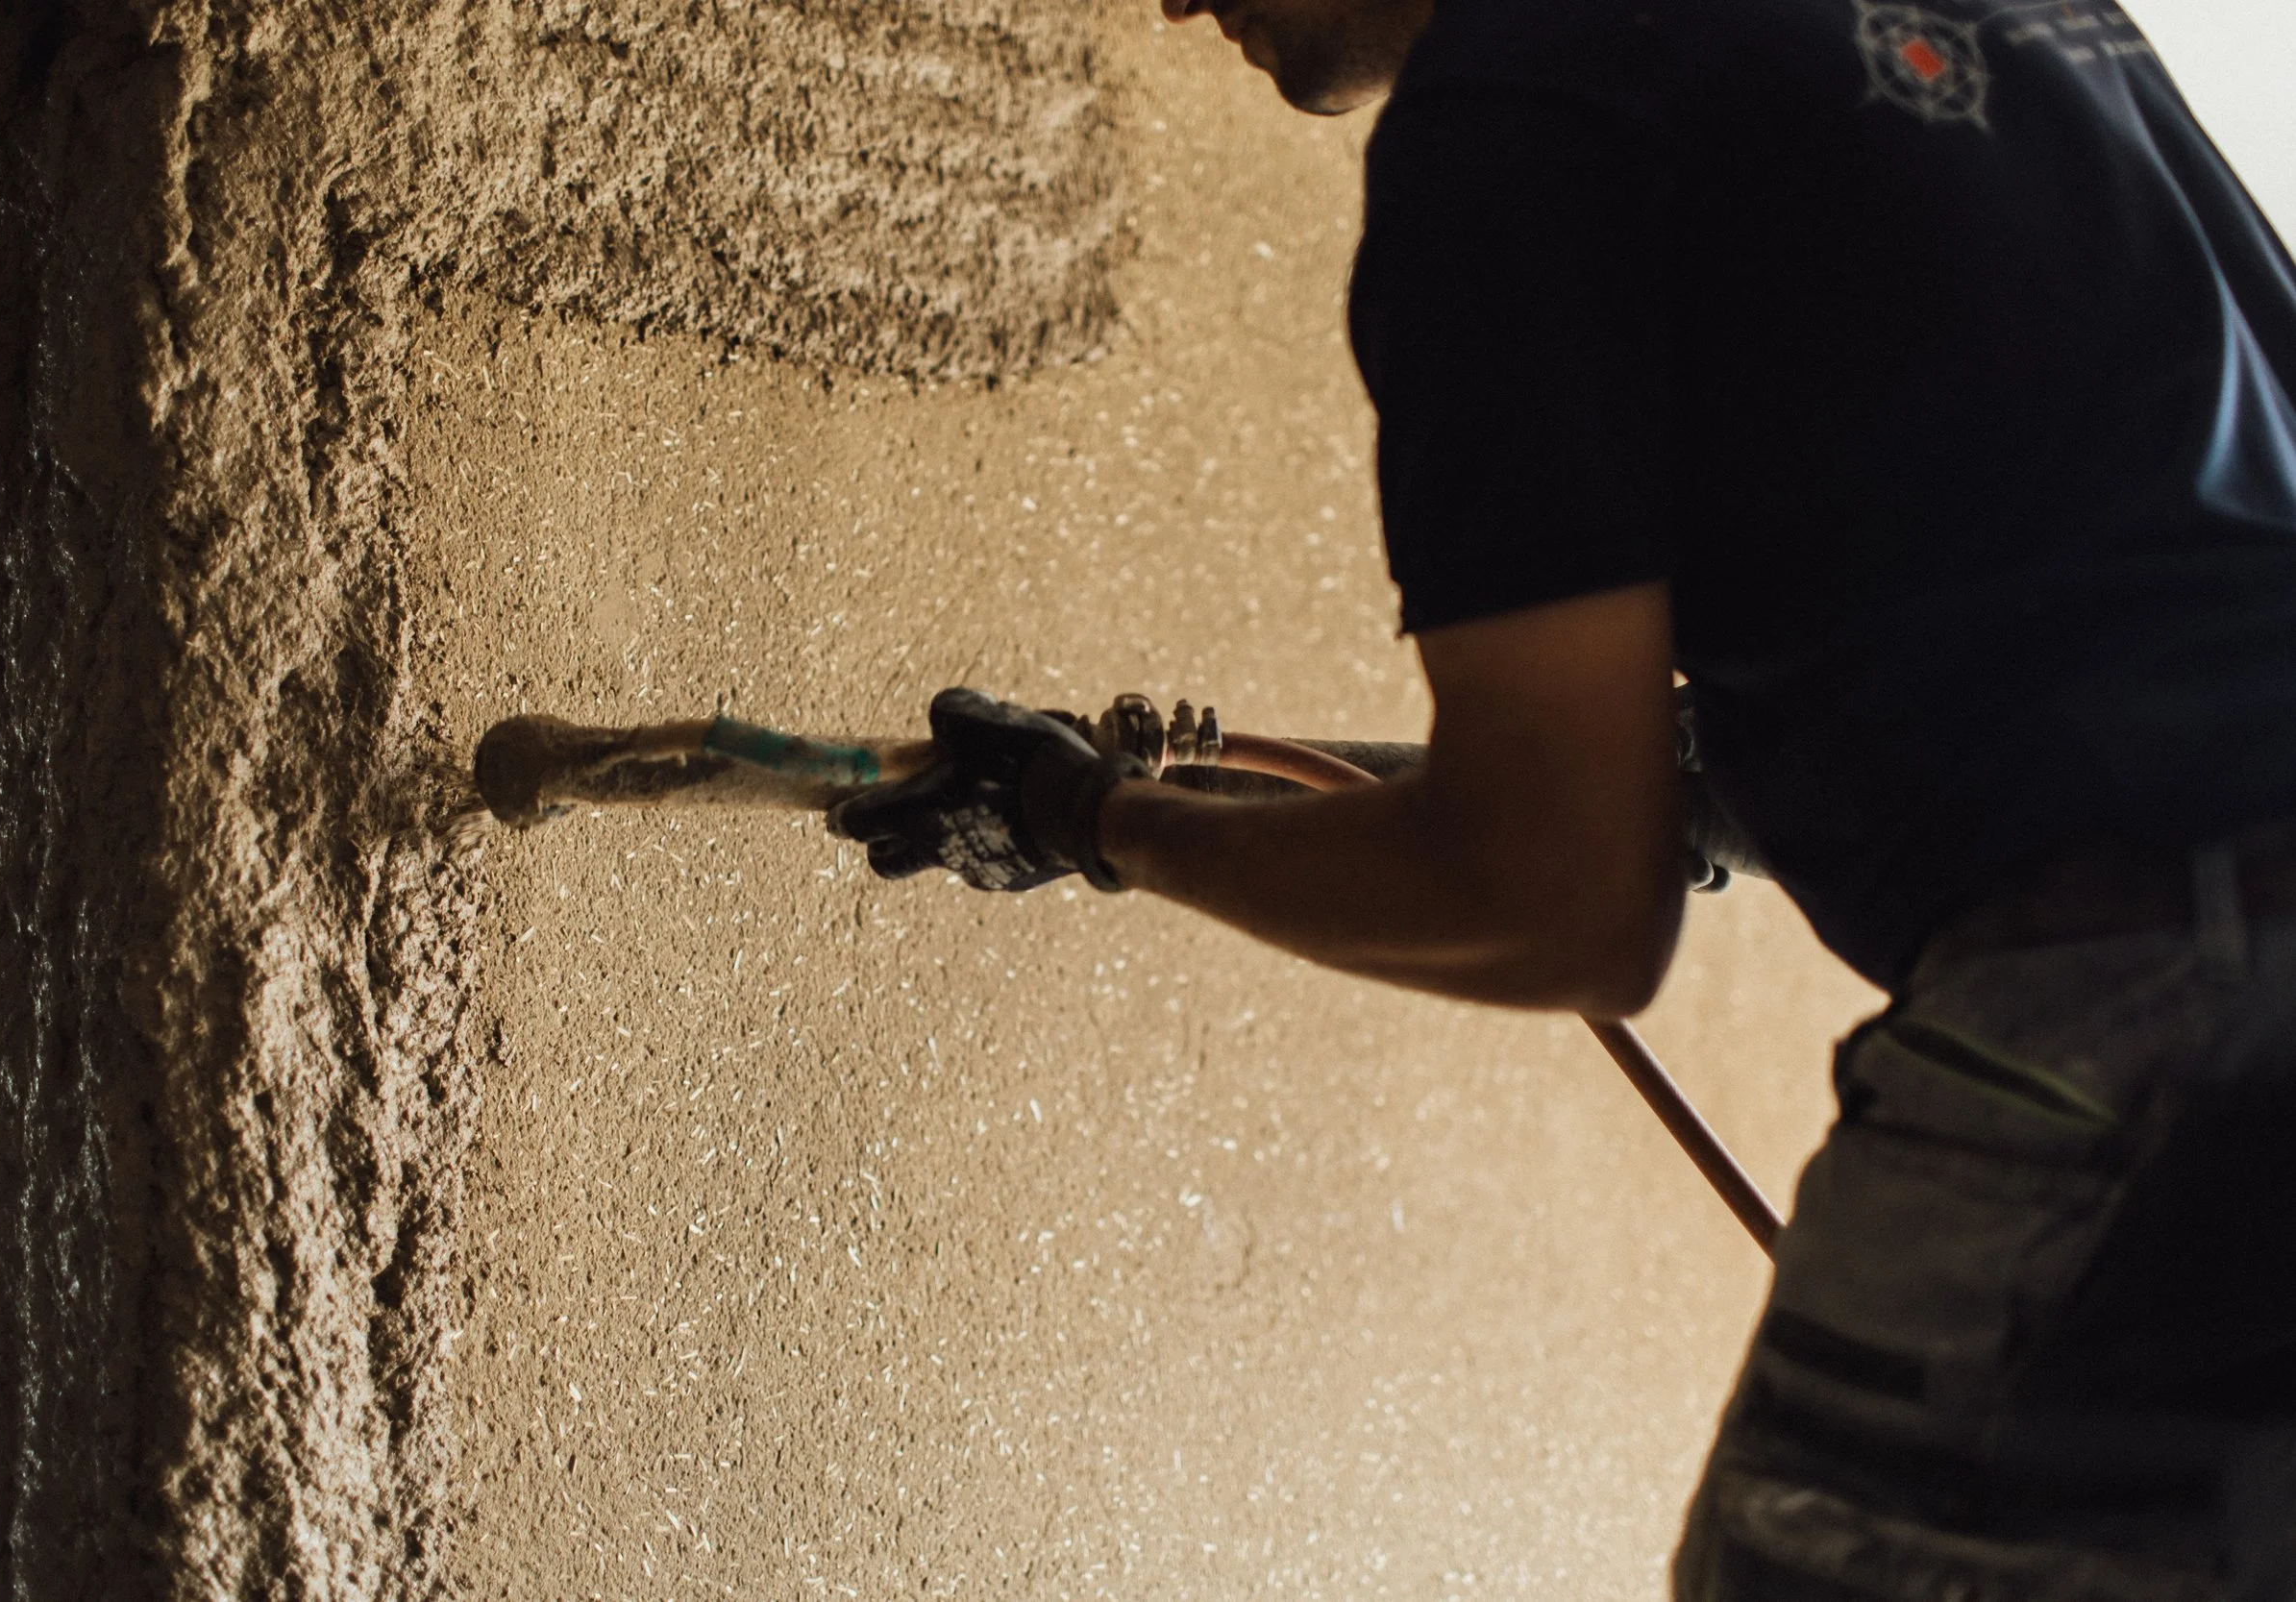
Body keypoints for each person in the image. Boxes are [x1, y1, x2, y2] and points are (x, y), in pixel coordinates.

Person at [828, 0, 2296, 1592]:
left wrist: (1090, 821)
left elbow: (1551, 903)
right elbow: (1740, 767)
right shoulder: (2015, 31)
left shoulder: (1527, 104)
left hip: (2164, 1025)